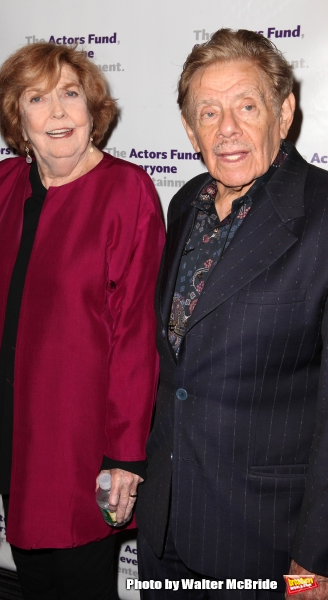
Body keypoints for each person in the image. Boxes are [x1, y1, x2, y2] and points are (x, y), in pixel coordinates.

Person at [0, 43, 164, 600]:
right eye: (37, 98)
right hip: (17, 432)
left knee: (81, 584)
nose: (59, 113)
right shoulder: (1, 187)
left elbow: (138, 332)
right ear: (18, 120)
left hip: (84, 443)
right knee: (34, 580)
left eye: (71, 94)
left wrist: (125, 454)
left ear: (93, 108)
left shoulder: (127, 191)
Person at [136, 29, 328, 599]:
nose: (227, 129)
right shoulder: (184, 201)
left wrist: (313, 561)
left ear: (284, 111)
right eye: (209, 112)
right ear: (190, 129)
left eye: (246, 106)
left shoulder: (321, 214)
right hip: (167, 521)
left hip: (266, 539)